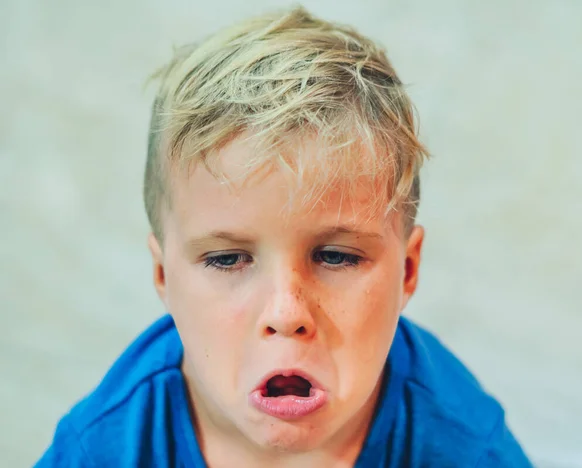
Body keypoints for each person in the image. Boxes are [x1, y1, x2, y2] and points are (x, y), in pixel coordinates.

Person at [36, 6, 533, 467]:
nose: (285, 313)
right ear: (163, 275)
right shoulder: (102, 449)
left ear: (407, 270)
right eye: (228, 259)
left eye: (336, 256)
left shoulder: (465, 448)